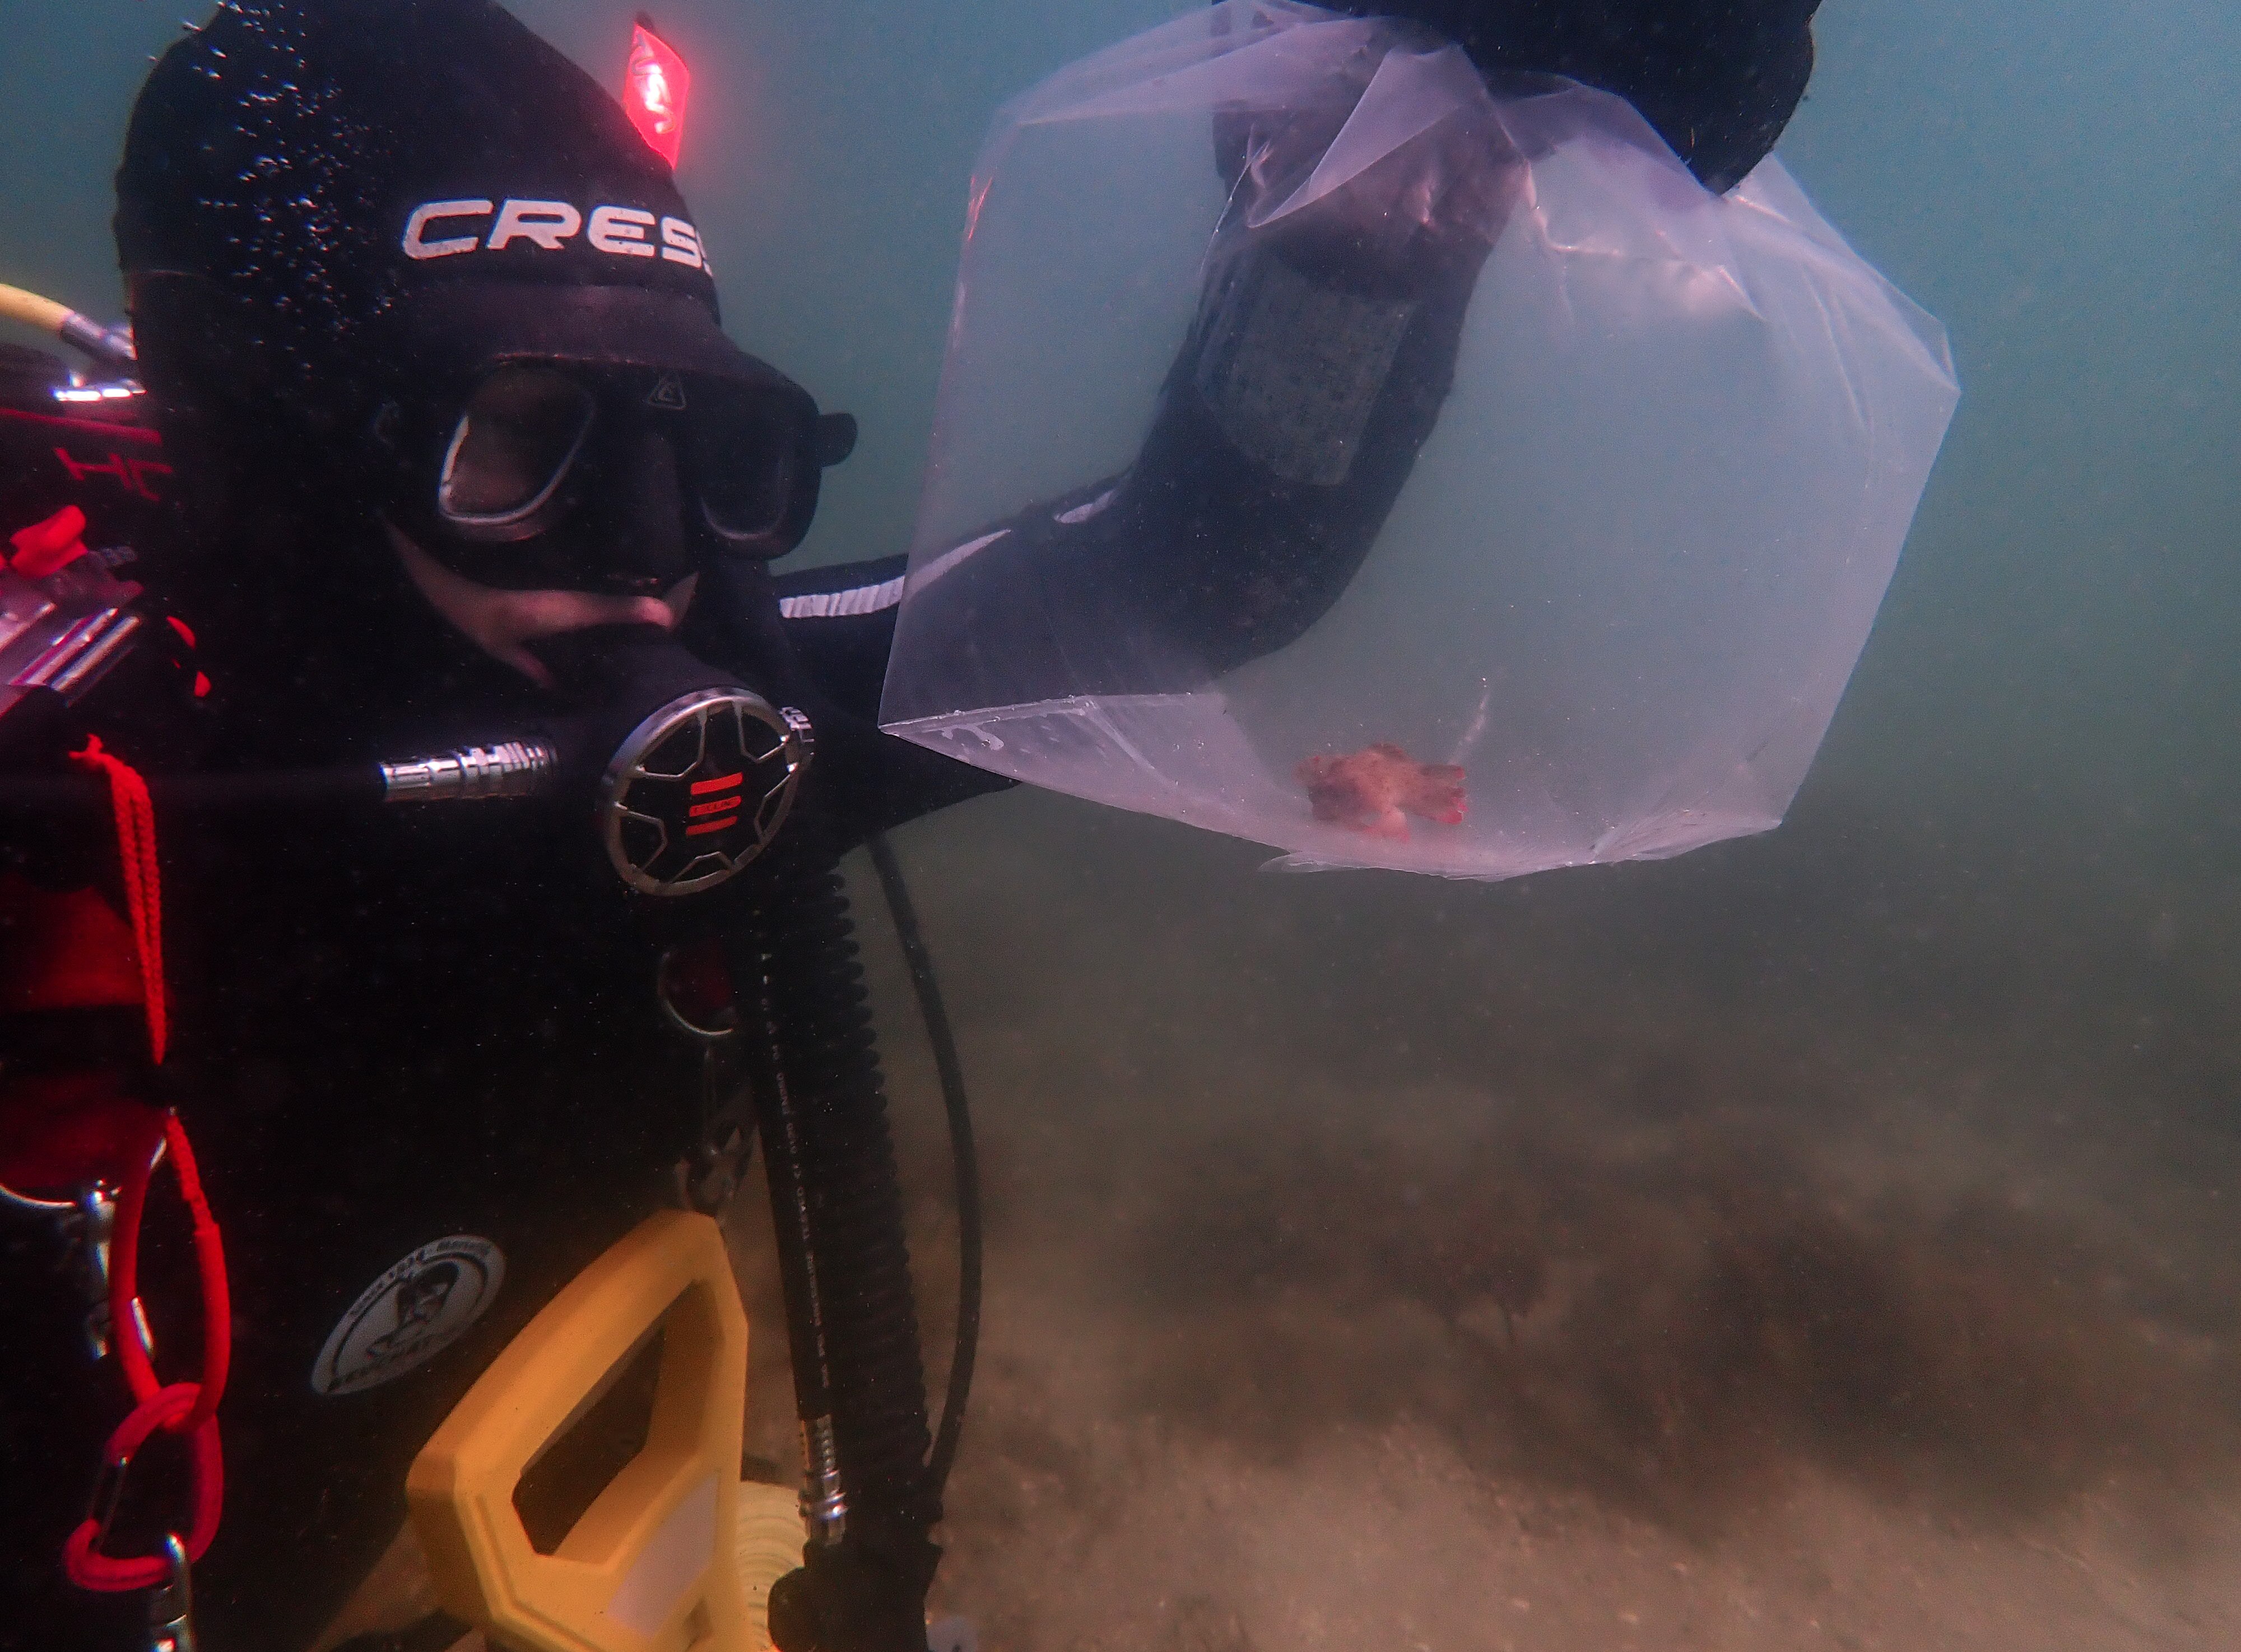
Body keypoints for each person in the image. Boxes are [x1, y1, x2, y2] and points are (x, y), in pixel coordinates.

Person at [0, 2, 1820, 1649]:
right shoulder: (45, 829)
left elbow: (1194, 571)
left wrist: (1362, 231)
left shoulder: (715, 744)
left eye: (699, 454)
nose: (643, 558)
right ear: (278, 459)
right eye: (523, 436)